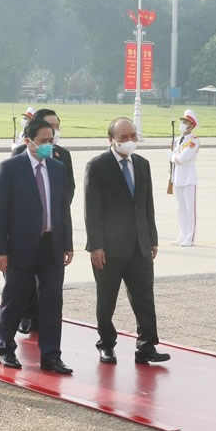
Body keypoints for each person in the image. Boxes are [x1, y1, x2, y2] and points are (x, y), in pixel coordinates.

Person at [85, 117, 170, 365]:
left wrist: (152, 238)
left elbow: (147, 204)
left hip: (140, 246)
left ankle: (147, 346)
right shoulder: (97, 166)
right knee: (107, 299)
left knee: (144, 297)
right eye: (123, 137)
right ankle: (106, 344)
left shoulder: (142, 164)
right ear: (110, 139)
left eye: (133, 136)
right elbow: (92, 209)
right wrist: (96, 245)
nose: (129, 141)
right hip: (109, 249)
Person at [0, 118, 73, 374]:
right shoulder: (9, 168)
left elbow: (63, 209)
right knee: (15, 299)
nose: (48, 145)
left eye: (51, 140)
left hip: (51, 245)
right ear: (28, 141)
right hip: (20, 247)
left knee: (52, 302)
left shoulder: (57, 168)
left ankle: (51, 355)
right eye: (43, 141)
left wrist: (67, 244)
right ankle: (5, 348)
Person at [11, 107, 75, 334]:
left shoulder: (62, 155)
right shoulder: (19, 153)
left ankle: (45, 327)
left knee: (51, 286)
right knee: (26, 282)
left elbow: (69, 188)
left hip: (52, 228)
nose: (54, 131)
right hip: (28, 230)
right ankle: (27, 315)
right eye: (50, 126)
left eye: (57, 127)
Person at [170, 109, 199, 247]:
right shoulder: (177, 140)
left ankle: (190, 237)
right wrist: (175, 158)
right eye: (182, 122)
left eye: (185, 122)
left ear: (191, 126)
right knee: (180, 208)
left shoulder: (194, 140)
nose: (182, 124)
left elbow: (184, 157)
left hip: (188, 177)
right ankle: (182, 234)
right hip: (177, 177)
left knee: (189, 208)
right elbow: (173, 157)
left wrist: (174, 157)